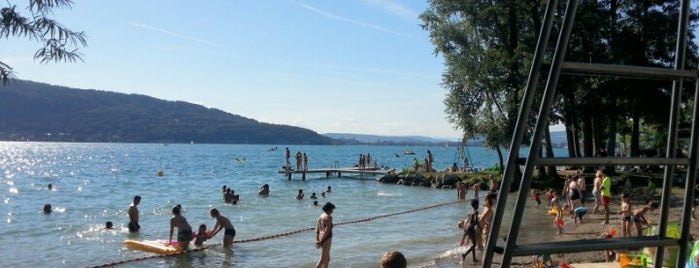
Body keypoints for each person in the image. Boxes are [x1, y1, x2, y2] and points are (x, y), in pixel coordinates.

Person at [460, 199, 481, 264]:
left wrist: (465, 230)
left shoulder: (470, 211)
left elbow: (468, 220)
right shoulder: (476, 212)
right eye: (478, 204)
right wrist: (481, 228)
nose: (478, 205)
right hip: (471, 228)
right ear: (476, 205)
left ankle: (474, 259)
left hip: (467, 227)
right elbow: (476, 221)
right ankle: (464, 254)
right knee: (474, 244)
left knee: (473, 244)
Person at [315, 202, 335, 268]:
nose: (332, 211)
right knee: (322, 260)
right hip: (326, 239)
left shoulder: (321, 216)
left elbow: (317, 229)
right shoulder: (328, 217)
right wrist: (321, 241)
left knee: (327, 259)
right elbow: (327, 231)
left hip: (321, 237)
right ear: (329, 209)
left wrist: (317, 239)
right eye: (332, 209)